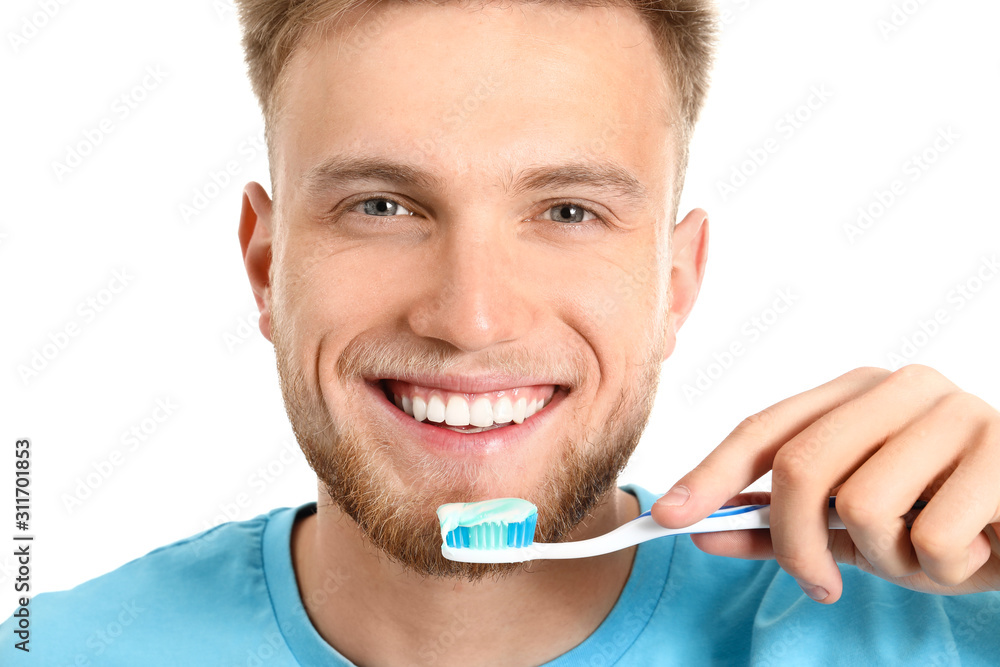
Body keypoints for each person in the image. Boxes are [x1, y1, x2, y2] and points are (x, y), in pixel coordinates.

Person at [4, 0, 999, 664]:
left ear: (676, 283)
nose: (470, 319)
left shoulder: (940, 633)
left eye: (567, 211)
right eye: (383, 206)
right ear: (266, 267)